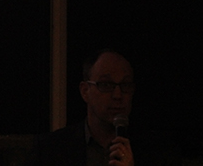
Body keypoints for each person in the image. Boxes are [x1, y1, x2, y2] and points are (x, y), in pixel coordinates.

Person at [27, 49, 179, 166]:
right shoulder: (51, 150)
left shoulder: (156, 151)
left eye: (125, 85)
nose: (118, 95)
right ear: (85, 91)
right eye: (106, 85)